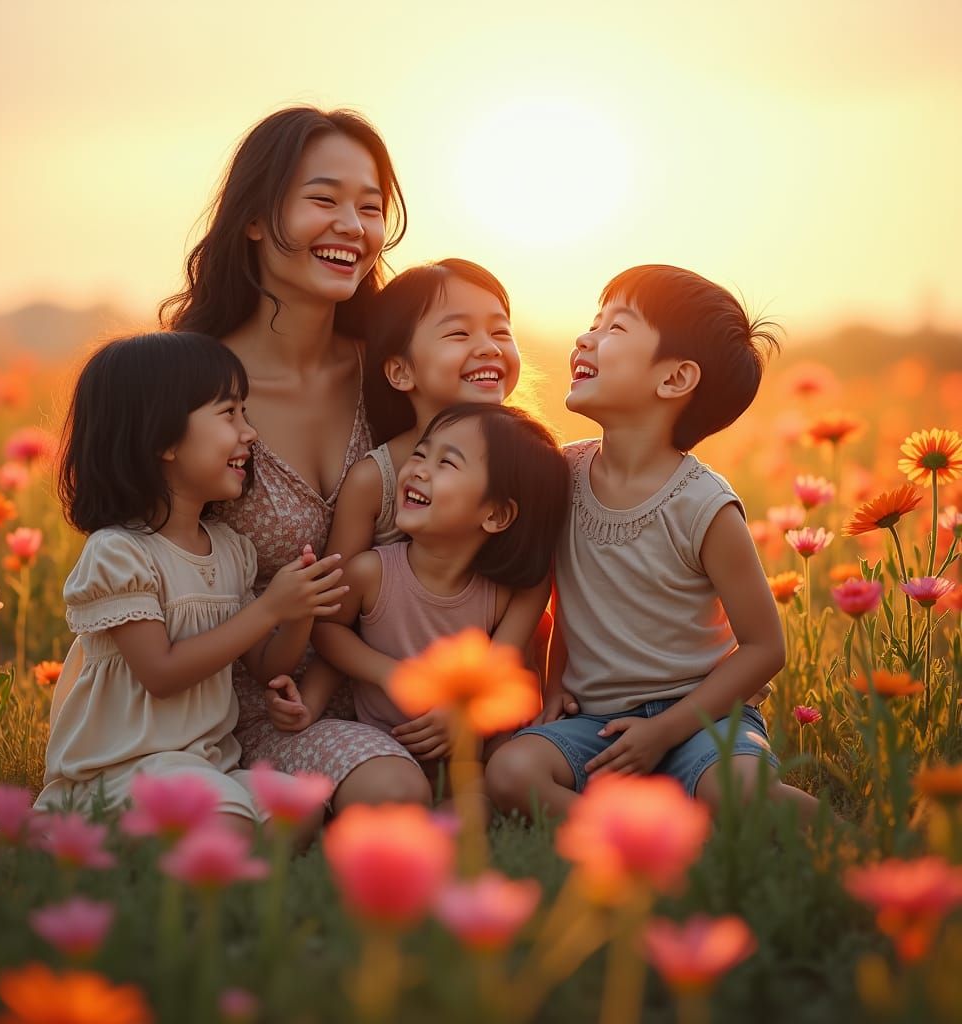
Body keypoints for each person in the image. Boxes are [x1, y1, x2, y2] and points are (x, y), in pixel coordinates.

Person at [160, 106, 431, 810]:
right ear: (254, 219)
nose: (353, 226)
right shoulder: (189, 389)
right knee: (395, 788)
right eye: (323, 199)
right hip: (249, 706)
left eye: (369, 208)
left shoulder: (397, 374)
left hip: (401, 685)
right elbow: (144, 565)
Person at [486, 264, 818, 820]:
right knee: (511, 772)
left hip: (701, 720)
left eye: (615, 327)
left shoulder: (703, 505)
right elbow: (560, 600)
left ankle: (855, 846)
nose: (585, 337)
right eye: (594, 321)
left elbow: (765, 648)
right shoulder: (561, 477)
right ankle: (638, 837)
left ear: (674, 380)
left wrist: (664, 731)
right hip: (597, 724)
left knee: (734, 790)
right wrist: (551, 690)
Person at [36, 332, 347, 834]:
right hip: (124, 771)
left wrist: (299, 607)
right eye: (229, 414)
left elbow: (268, 663)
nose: (251, 434)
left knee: (300, 808)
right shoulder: (120, 553)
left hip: (207, 765)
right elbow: (160, 672)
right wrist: (269, 609)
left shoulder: (228, 549)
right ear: (161, 439)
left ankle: (218, 888)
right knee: (226, 822)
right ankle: (62, 838)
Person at [269, 260, 553, 753]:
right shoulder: (375, 480)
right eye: (459, 333)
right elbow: (334, 617)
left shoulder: (524, 461)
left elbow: (535, 581)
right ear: (401, 371)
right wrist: (391, 680)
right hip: (391, 706)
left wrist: (473, 700)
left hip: (490, 696)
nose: (487, 346)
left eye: (500, 331)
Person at [312, 403, 569, 790]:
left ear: (497, 515)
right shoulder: (372, 572)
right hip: (385, 743)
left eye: (447, 464)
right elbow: (327, 630)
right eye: (420, 452)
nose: (418, 468)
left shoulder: (507, 593)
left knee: (494, 776)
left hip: (474, 743)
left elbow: (499, 667)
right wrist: (393, 674)